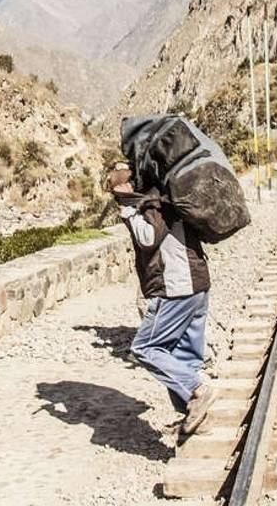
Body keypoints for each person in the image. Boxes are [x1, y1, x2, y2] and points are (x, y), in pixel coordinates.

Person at [106, 161, 216, 437]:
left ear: (128, 183)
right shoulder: (169, 195)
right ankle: (195, 419)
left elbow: (148, 237)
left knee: (146, 347)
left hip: (176, 287)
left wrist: (128, 210)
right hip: (196, 285)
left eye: (117, 185)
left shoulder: (153, 200)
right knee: (184, 355)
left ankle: (198, 390)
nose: (116, 190)